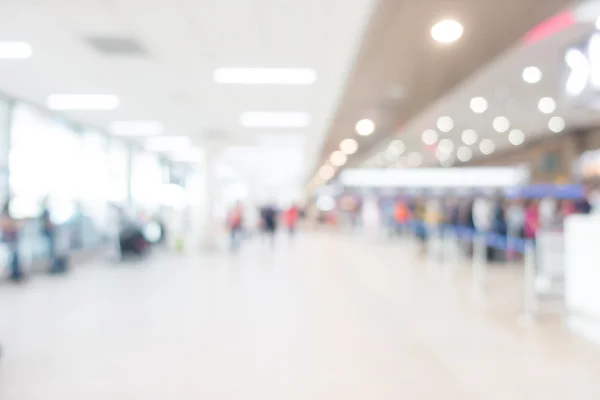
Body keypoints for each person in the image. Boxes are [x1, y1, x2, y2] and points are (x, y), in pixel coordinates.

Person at [1, 201, 23, 282]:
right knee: (12, 255)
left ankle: (16, 273)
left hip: (11, 242)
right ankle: (15, 274)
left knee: (15, 255)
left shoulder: (8, 219)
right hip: (7, 242)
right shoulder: (4, 218)